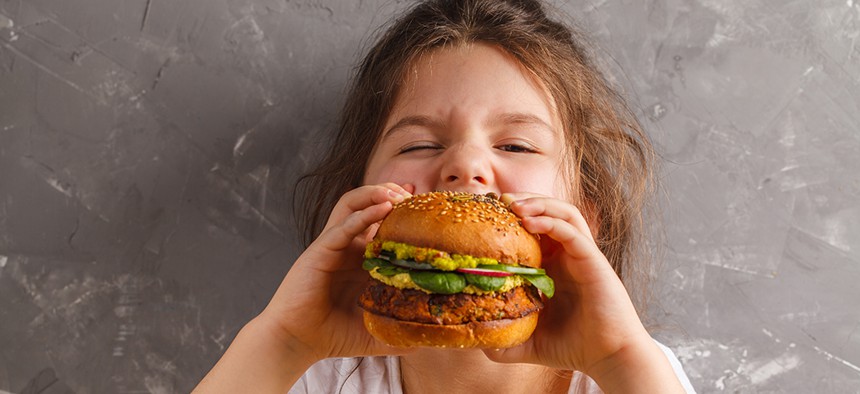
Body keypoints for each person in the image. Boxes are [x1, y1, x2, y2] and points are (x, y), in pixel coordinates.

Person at [194, 0, 696, 392]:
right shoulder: (314, 374)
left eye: (516, 144)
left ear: (585, 213)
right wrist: (285, 342)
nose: (465, 165)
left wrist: (618, 360)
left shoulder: (631, 371)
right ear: (360, 202)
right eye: (420, 144)